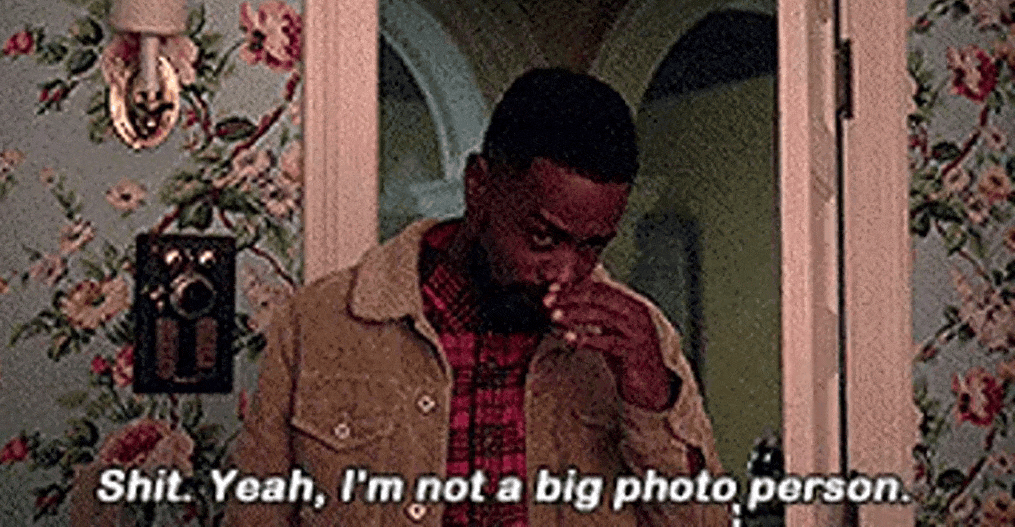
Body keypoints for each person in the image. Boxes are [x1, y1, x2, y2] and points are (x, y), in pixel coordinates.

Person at [223, 68, 729, 526]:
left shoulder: (640, 340)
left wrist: (651, 400)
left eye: (593, 245)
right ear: (478, 186)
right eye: (543, 238)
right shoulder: (318, 324)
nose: (566, 272)